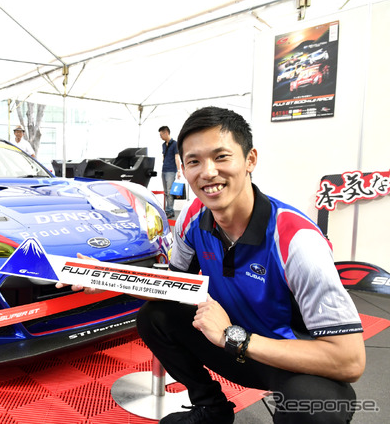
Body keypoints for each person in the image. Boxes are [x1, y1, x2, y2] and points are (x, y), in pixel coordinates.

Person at [138, 107, 365, 423]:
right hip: (227, 346)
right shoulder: (191, 219)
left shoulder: (296, 239)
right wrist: (108, 281)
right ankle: (212, 410)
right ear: (183, 169)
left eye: (221, 157)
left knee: (318, 405)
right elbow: (176, 288)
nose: (207, 172)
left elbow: (350, 360)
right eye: (194, 161)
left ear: (250, 160)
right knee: (155, 317)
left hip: (284, 360)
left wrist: (234, 337)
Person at [159, 125, 182, 219]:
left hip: (171, 171)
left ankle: (170, 211)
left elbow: (177, 157)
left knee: (169, 191)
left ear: (166, 133)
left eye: (161, 134)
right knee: (165, 192)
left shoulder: (175, 144)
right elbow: (163, 156)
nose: (160, 137)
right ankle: (167, 210)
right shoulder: (164, 145)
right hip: (164, 170)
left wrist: (179, 170)